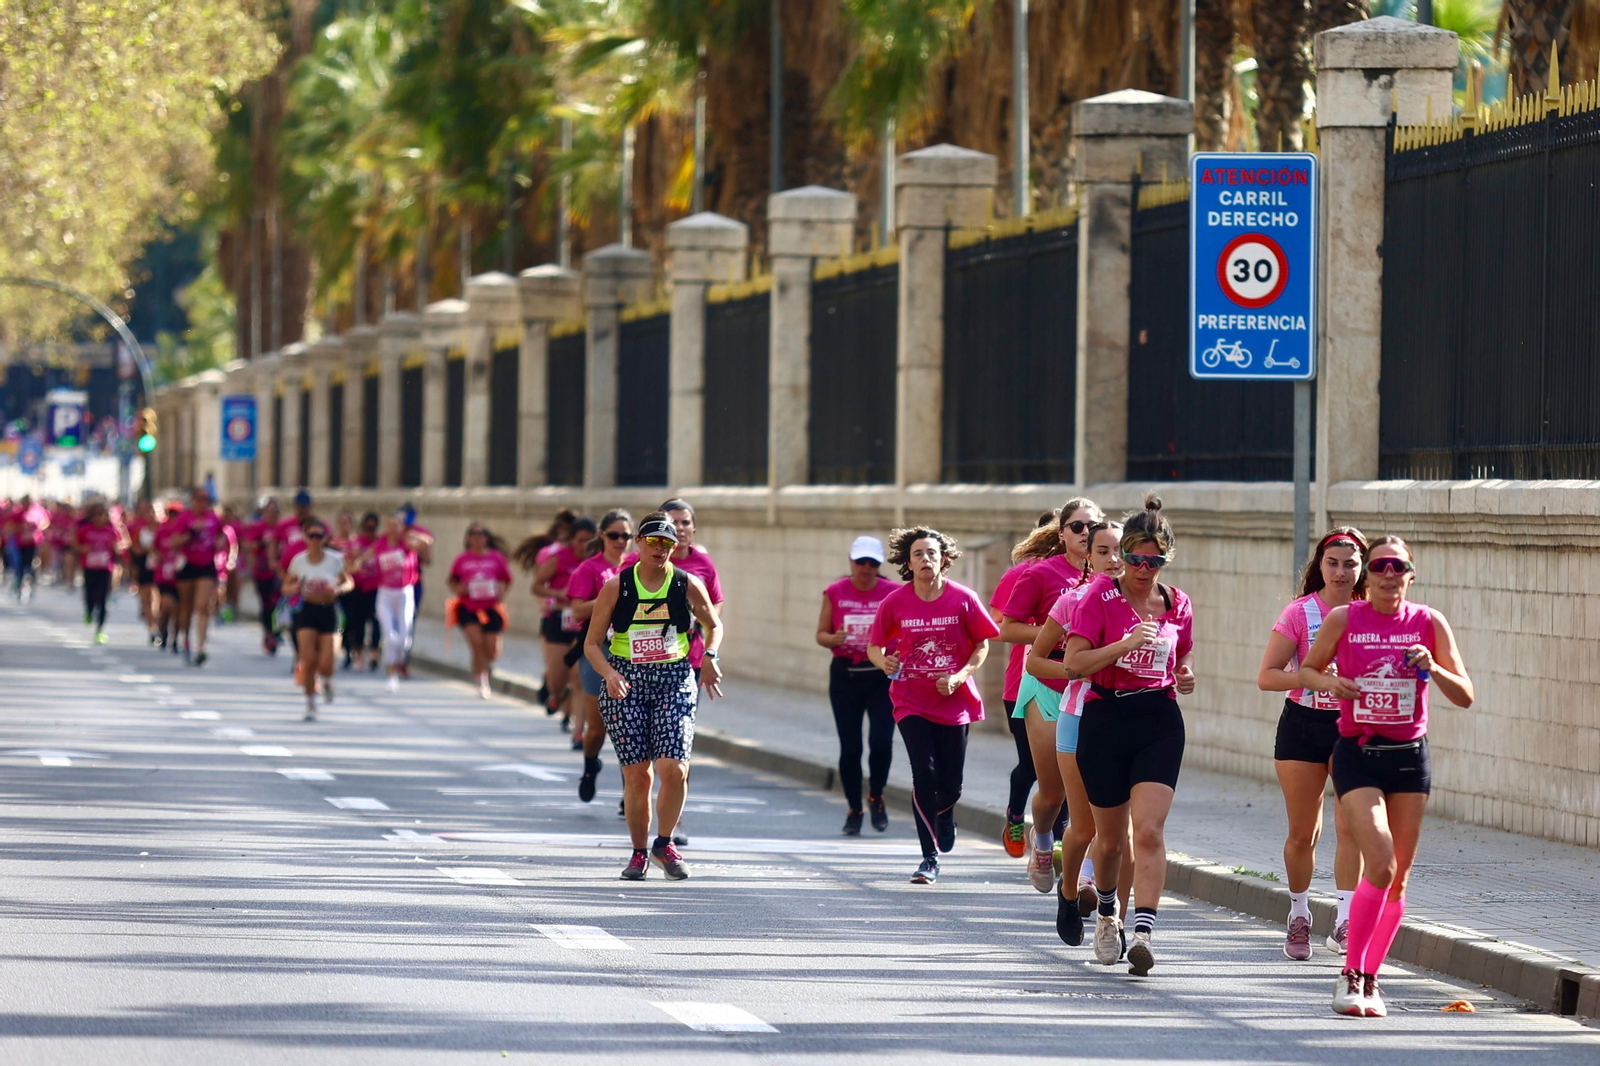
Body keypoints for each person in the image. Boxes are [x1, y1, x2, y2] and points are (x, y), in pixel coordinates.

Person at [1295, 536, 1473, 1019]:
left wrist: (1432, 666)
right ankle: (1349, 975)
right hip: (1357, 752)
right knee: (1381, 859)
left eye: (1398, 566)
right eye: (1380, 566)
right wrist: (1333, 682)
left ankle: (1371, 979)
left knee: (1397, 882)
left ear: (1410, 574)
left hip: (1410, 757)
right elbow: (1307, 671)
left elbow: (1466, 694)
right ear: (1367, 576)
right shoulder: (1343, 620)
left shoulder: (1428, 622)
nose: (1389, 574)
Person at [1064, 493, 1195, 976]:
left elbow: (1181, 658)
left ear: (1165, 558)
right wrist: (1122, 644)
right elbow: (1075, 663)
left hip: (1158, 719)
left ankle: (1143, 931)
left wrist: (1185, 675)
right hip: (1105, 720)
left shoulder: (1177, 603)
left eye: (1154, 559)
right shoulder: (1099, 597)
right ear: (1125, 555)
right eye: (1136, 557)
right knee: (1111, 839)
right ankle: (1105, 916)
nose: (1144, 567)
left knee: (1151, 830)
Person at [583, 512, 722, 882]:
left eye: (667, 543)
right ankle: (639, 852)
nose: (660, 548)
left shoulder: (686, 583)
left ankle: (664, 843)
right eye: (653, 541)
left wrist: (710, 656)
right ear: (640, 544)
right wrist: (610, 674)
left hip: (674, 678)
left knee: (673, 768)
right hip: (626, 680)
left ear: (674, 547)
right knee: (638, 776)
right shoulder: (617, 586)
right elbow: (592, 644)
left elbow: (714, 623)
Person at [1257, 527, 1369, 960]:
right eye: (1333, 563)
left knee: (1351, 828)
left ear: (1362, 568)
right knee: (1304, 833)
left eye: (1350, 564)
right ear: (1319, 566)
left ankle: (1345, 922)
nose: (1341, 572)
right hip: (1303, 725)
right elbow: (1267, 675)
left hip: (1353, 729)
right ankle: (1299, 914)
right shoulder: (1301, 613)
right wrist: (1306, 676)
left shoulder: (1372, 614)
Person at [868, 527, 1000, 885]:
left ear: (944, 559)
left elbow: (983, 644)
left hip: (954, 700)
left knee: (952, 783)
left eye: (931, 553)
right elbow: (874, 648)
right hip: (910, 700)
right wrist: (885, 664)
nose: (925, 560)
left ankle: (945, 814)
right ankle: (928, 858)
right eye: (918, 555)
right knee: (923, 772)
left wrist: (960, 675)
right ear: (908, 564)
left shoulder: (963, 598)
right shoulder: (894, 602)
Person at [1025, 519, 1135, 946]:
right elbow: (1034, 661)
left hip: (1129, 720)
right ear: (1087, 556)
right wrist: (1074, 670)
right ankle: (1069, 892)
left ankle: (1113, 921)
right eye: (1104, 551)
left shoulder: (1150, 605)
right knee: (1086, 828)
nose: (1114, 561)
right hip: (1078, 716)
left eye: (1121, 551)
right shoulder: (1072, 602)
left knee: (1122, 835)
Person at [1001, 499, 1103, 891]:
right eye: (1077, 527)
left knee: (1095, 786)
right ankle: (1042, 840)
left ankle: (1088, 873)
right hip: (1045, 684)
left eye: (1092, 526)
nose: (1084, 534)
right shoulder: (1041, 574)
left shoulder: (1111, 578)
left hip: (1091, 688)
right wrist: (1057, 631)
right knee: (1053, 789)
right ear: (1061, 534)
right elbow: (1008, 629)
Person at [815, 535, 896, 835]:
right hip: (845, 676)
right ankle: (854, 808)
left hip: (880, 677)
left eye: (872, 563)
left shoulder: (892, 592)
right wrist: (833, 639)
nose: (865, 568)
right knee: (850, 749)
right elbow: (820, 634)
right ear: (851, 561)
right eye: (860, 561)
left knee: (881, 742)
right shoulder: (835, 592)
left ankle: (876, 795)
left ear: (879, 565)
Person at [992, 509, 1056, 858]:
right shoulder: (1021, 575)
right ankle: (1016, 816)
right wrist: (1047, 630)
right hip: (1023, 686)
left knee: (1065, 768)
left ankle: (1055, 843)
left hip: (1069, 687)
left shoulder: (1090, 577)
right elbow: (998, 624)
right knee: (1032, 766)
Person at [566, 509, 633, 802]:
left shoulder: (639, 568)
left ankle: (629, 792)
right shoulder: (589, 569)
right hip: (599, 652)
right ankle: (591, 765)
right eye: (615, 535)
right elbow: (577, 610)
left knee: (631, 727)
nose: (621, 541)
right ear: (603, 536)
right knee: (597, 728)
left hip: (632, 653)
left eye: (627, 536)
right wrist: (610, 598)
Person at [520, 510, 593, 730]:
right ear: (572, 540)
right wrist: (559, 593)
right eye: (580, 540)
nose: (585, 545)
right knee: (558, 680)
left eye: (590, 540)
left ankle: (577, 729)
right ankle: (556, 691)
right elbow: (536, 586)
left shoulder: (597, 561)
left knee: (578, 676)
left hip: (585, 624)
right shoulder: (559, 559)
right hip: (560, 619)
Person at [352, 510, 431, 693]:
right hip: (385, 594)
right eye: (389, 525)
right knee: (390, 637)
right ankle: (391, 675)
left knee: (402, 640)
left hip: (404, 593)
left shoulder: (407, 544)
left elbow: (427, 542)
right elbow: (363, 559)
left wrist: (413, 535)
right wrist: (357, 564)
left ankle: (400, 657)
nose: (392, 529)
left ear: (401, 527)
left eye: (396, 525)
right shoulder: (380, 544)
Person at [282, 518, 352, 720]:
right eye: (311, 536)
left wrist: (338, 589)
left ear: (324, 539)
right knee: (308, 660)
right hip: (307, 609)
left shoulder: (335, 560)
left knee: (327, 663)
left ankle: (328, 680)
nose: (314, 540)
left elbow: (349, 582)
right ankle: (311, 703)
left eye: (318, 536)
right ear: (305, 538)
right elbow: (285, 587)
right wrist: (293, 589)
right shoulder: (299, 561)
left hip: (328, 610)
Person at [448, 524, 514, 698]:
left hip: (491, 607)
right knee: (477, 644)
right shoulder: (462, 560)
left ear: (487, 538)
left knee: (491, 651)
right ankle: (483, 681)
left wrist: (501, 592)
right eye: (474, 534)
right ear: (469, 538)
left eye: (482, 534)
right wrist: (460, 589)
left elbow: (507, 579)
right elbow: (452, 581)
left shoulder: (496, 558)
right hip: (468, 607)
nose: (478, 537)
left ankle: (484, 666)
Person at [171, 486, 233, 665]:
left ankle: (201, 646)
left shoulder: (213, 518)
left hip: (206, 565)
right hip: (188, 565)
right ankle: (186, 640)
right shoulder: (185, 518)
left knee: (202, 606)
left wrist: (220, 542)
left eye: (206, 499)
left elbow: (223, 535)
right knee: (186, 607)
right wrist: (192, 533)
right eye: (199, 499)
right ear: (192, 500)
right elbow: (174, 541)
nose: (203, 503)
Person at [75, 500, 126, 643]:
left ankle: (100, 630)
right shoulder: (85, 530)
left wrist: (117, 548)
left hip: (105, 568)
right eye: (96, 514)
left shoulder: (111, 531)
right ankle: (89, 611)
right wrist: (83, 549)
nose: (99, 517)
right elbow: (75, 544)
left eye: (102, 514)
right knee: (90, 594)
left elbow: (120, 545)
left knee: (103, 600)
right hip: (89, 567)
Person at [243, 498, 283, 655]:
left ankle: (276, 631)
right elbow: (247, 544)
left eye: (275, 512)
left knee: (277, 603)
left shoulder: (282, 528)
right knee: (266, 604)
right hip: (263, 570)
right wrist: (261, 543)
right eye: (269, 512)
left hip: (279, 571)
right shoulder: (258, 527)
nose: (272, 515)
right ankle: (268, 632)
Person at [344, 512, 382, 671]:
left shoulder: (380, 543)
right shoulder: (356, 544)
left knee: (376, 621)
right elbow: (348, 564)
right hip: (358, 588)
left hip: (376, 587)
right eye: (367, 528)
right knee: (358, 622)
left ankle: (374, 651)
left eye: (373, 528)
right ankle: (358, 652)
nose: (370, 531)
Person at [125, 499, 162, 643]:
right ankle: (153, 629)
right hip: (145, 567)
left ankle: (159, 623)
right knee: (148, 599)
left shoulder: (165, 529)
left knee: (161, 600)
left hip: (162, 568)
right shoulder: (140, 530)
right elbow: (134, 548)